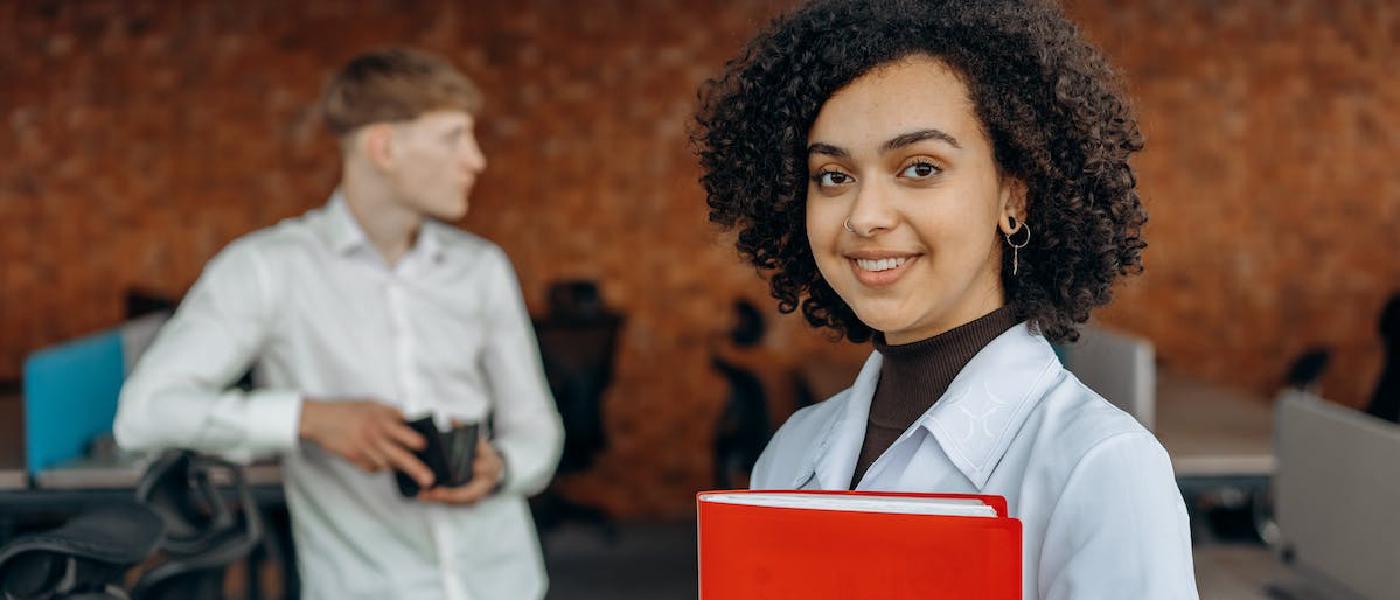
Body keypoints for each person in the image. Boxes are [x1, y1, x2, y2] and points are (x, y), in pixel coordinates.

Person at [693, 1, 1198, 597]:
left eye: (921, 168)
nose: (865, 216)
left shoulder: (1100, 467)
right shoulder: (793, 449)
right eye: (833, 175)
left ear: (1015, 193)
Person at [115, 48, 564, 600]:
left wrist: (503, 467)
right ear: (385, 147)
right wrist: (308, 417)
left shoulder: (482, 269)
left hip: (505, 582)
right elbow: (144, 414)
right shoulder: (265, 269)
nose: (476, 160)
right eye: (453, 138)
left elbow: (538, 430)